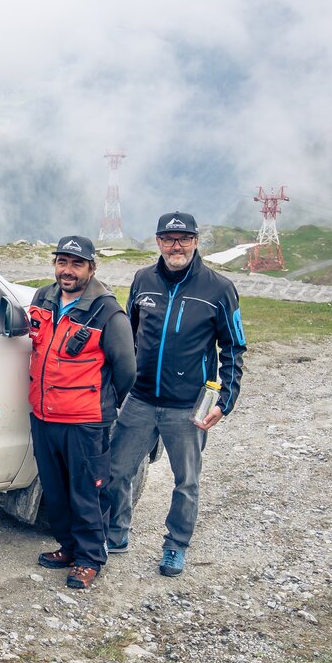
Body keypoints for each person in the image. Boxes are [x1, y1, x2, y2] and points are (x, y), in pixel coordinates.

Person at [102, 212, 245, 578]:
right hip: (141, 399)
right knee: (117, 472)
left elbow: (233, 348)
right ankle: (116, 535)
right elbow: (126, 337)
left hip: (188, 406)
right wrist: (117, 387)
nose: (175, 245)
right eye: (168, 238)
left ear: (196, 241)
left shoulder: (219, 289)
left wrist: (225, 402)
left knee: (186, 482)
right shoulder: (143, 280)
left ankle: (175, 547)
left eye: (183, 238)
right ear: (158, 242)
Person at [27, 236, 137, 590]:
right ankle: (69, 547)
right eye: (62, 262)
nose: (67, 271)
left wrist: (101, 403)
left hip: (85, 420)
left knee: (86, 491)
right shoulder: (42, 297)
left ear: (91, 267)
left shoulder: (108, 311)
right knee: (55, 490)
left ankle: (90, 558)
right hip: (44, 416)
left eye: (76, 264)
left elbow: (126, 369)